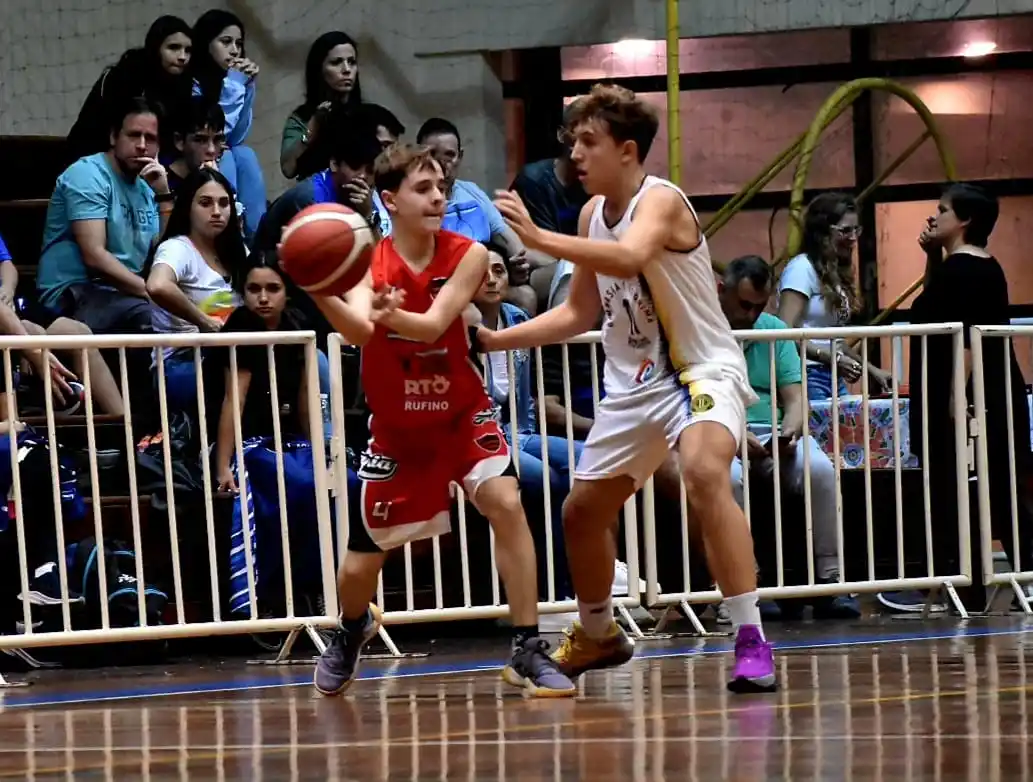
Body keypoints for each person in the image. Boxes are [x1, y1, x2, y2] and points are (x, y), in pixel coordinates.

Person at [489, 84, 776, 693]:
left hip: (698, 369)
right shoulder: (591, 216)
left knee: (704, 472)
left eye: (588, 142)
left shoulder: (661, 201)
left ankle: (750, 636)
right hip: (634, 385)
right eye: (573, 142)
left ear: (627, 150)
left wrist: (537, 239)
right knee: (581, 513)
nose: (575, 154)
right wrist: (492, 341)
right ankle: (598, 632)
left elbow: (630, 258)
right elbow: (578, 313)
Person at [308, 142, 575, 698]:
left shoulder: (469, 253)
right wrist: (320, 289)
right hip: (399, 430)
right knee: (360, 567)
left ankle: (527, 646)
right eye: (423, 189)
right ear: (390, 200)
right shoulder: (364, 261)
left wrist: (389, 315)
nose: (437, 198)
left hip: (462, 413)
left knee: (506, 502)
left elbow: (432, 325)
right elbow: (357, 331)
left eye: (442, 189)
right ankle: (352, 628)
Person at [909, 183, 1033, 611]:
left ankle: (977, 584)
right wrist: (931, 256)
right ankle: (981, 583)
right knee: (992, 488)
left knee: (976, 488)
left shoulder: (964, 270)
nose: (934, 216)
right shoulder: (969, 266)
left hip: (971, 393)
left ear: (964, 220)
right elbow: (932, 310)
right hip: (984, 390)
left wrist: (956, 396)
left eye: (942, 210)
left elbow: (964, 338)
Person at [718, 255, 860, 619]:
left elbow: (795, 398)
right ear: (722, 291)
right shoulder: (701, 329)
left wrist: (791, 429)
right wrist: (736, 435)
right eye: (744, 305)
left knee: (821, 470)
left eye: (759, 306)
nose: (752, 315)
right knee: (727, 480)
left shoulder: (774, 328)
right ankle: (742, 585)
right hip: (719, 431)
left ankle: (831, 579)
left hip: (773, 435)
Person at [37, 97, 172, 335]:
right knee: (154, 317)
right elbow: (95, 256)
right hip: (74, 294)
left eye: (150, 138)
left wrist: (164, 196)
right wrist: (153, 292)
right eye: (134, 135)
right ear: (113, 137)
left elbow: (165, 252)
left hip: (122, 294)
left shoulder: (147, 188)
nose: (142, 146)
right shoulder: (88, 174)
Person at [146, 169, 246, 411]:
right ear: (188, 208)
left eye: (224, 203)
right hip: (183, 362)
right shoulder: (177, 248)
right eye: (205, 203)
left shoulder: (238, 251)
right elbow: (157, 285)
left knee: (311, 359)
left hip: (230, 355)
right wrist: (205, 322)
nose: (216, 211)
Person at [777, 193, 891, 398]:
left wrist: (871, 370)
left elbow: (833, 341)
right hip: (806, 373)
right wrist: (833, 359)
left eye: (856, 230)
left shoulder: (832, 272)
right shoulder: (802, 268)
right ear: (821, 232)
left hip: (831, 374)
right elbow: (784, 333)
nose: (853, 238)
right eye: (845, 231)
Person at [67, 15, 194, 160]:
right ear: (156, 48)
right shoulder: (123, 76)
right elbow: (96, 131)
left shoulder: (184, 84)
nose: (183, 57)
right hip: (96, 158)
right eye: (173, 48)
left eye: (188, 50)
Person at [190, 10, 266, 236]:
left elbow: (236, 136)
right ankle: (229, 235)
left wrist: (247, 87)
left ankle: (256, 240)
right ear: (206, 44)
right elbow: (215, 131)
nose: (234, 50)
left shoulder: (231, 79)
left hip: (223, 152)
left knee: (244, 154)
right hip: (194, 158)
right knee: (228, 157)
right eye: (226, 42)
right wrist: (235, 84)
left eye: (239, 43)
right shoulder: (191, 83)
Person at [280, 31, 364, 181]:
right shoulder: (302, 117)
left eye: (352, 62)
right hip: (315, 191)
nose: (346, 69)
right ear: (319, 69)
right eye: (336, 62)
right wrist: (313, 127)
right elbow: (288, 169)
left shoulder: (368, 116)